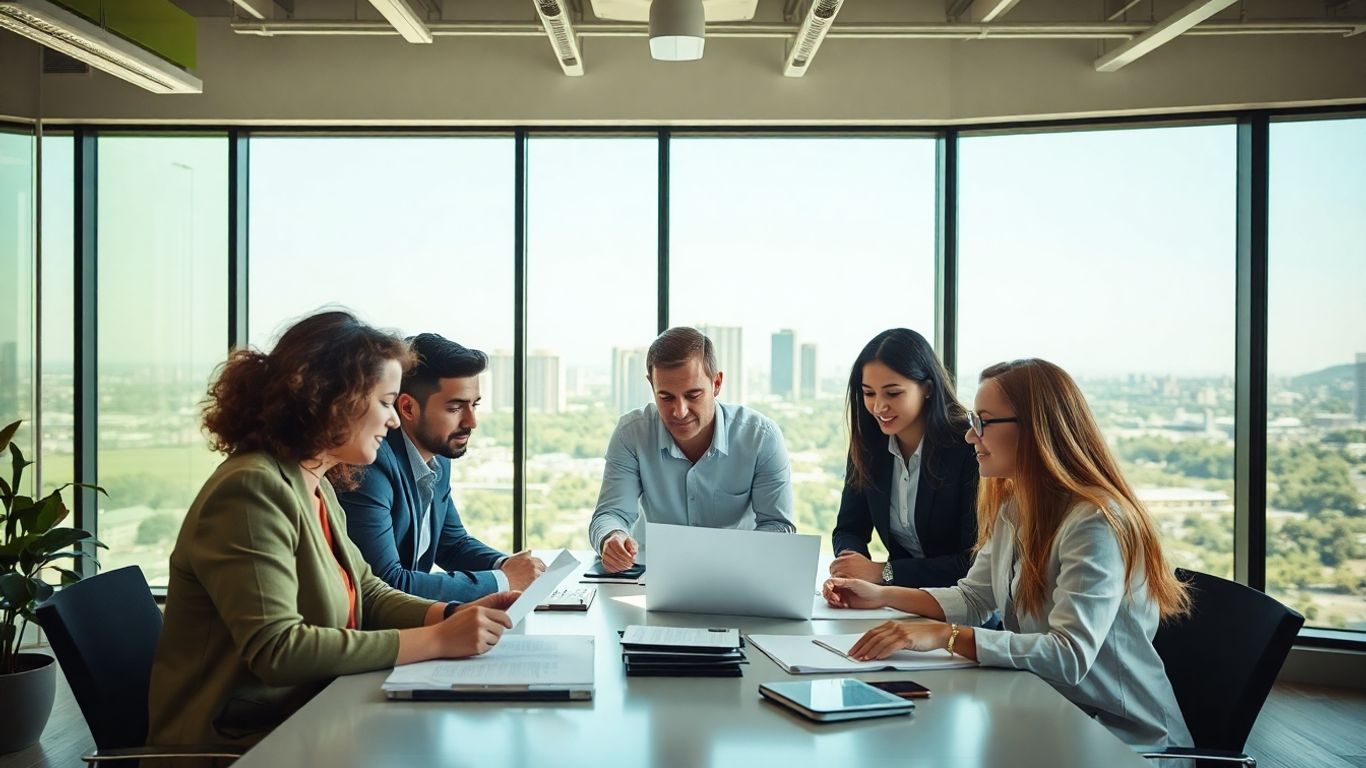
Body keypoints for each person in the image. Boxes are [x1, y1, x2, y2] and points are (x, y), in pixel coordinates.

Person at [147, 311, 517, 750]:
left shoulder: (316, 484)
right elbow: (278, 649)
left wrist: (449, 614)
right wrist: (435, 638)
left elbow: (369, 590)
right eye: (385, 402)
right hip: (242, 743)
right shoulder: (252, 489)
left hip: (310, 716)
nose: (395, 421)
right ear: (333, 400)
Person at [823, 358, 1192, 751]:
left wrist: (945, 636)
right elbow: (973, 598)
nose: (969, 438)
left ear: (1034, 429)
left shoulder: (1095, 522)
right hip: (1046, 711)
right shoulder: (1017, 506)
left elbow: (1068, 656)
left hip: (1121, 741)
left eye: (982, 422)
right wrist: (881, 594)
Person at [339, 333, 545, 601]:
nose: (472, 421)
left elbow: (453, 545)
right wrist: (503, 580)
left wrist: (509, 567)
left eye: (475, 405)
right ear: (408, 408)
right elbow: (387, 583)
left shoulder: (438, 456)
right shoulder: (370, 465)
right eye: (456, 407)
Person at [589, 326, 795, 572]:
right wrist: (611, 538)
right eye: (666, 397)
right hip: (652, 574)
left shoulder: (760, 437)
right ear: (651, 385)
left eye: (693, 395)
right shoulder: (631, 433)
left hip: (738, 574)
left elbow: (778, 526)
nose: (680, 411)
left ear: (716, 383)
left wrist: (737, 561)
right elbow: (610, 514)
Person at [829, 328, 979, 588]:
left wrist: (883, 572)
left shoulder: (968, 448)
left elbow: (972, 563)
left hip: (964, 606)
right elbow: (849, 528)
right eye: (869, 393)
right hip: (899, 600)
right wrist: (851, 567)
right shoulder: (869, 445)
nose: (878, 407)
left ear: (928, 388)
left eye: (893, 393)